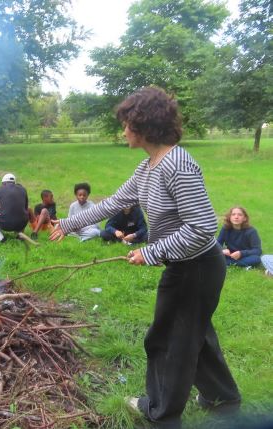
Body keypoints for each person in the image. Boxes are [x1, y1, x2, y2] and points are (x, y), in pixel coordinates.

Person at [50, 87, 240, 428]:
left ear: (144, 126)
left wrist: (151, 251)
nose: (123, 131)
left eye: (127, 124)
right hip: (188, 265)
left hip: (196, 267)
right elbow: (113, 202)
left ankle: (161, 412)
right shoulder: (149, 166)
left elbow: (202, 227)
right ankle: (222, 397)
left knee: (167, 340)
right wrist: (66, 223)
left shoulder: (178, 165)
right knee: (196, 334)